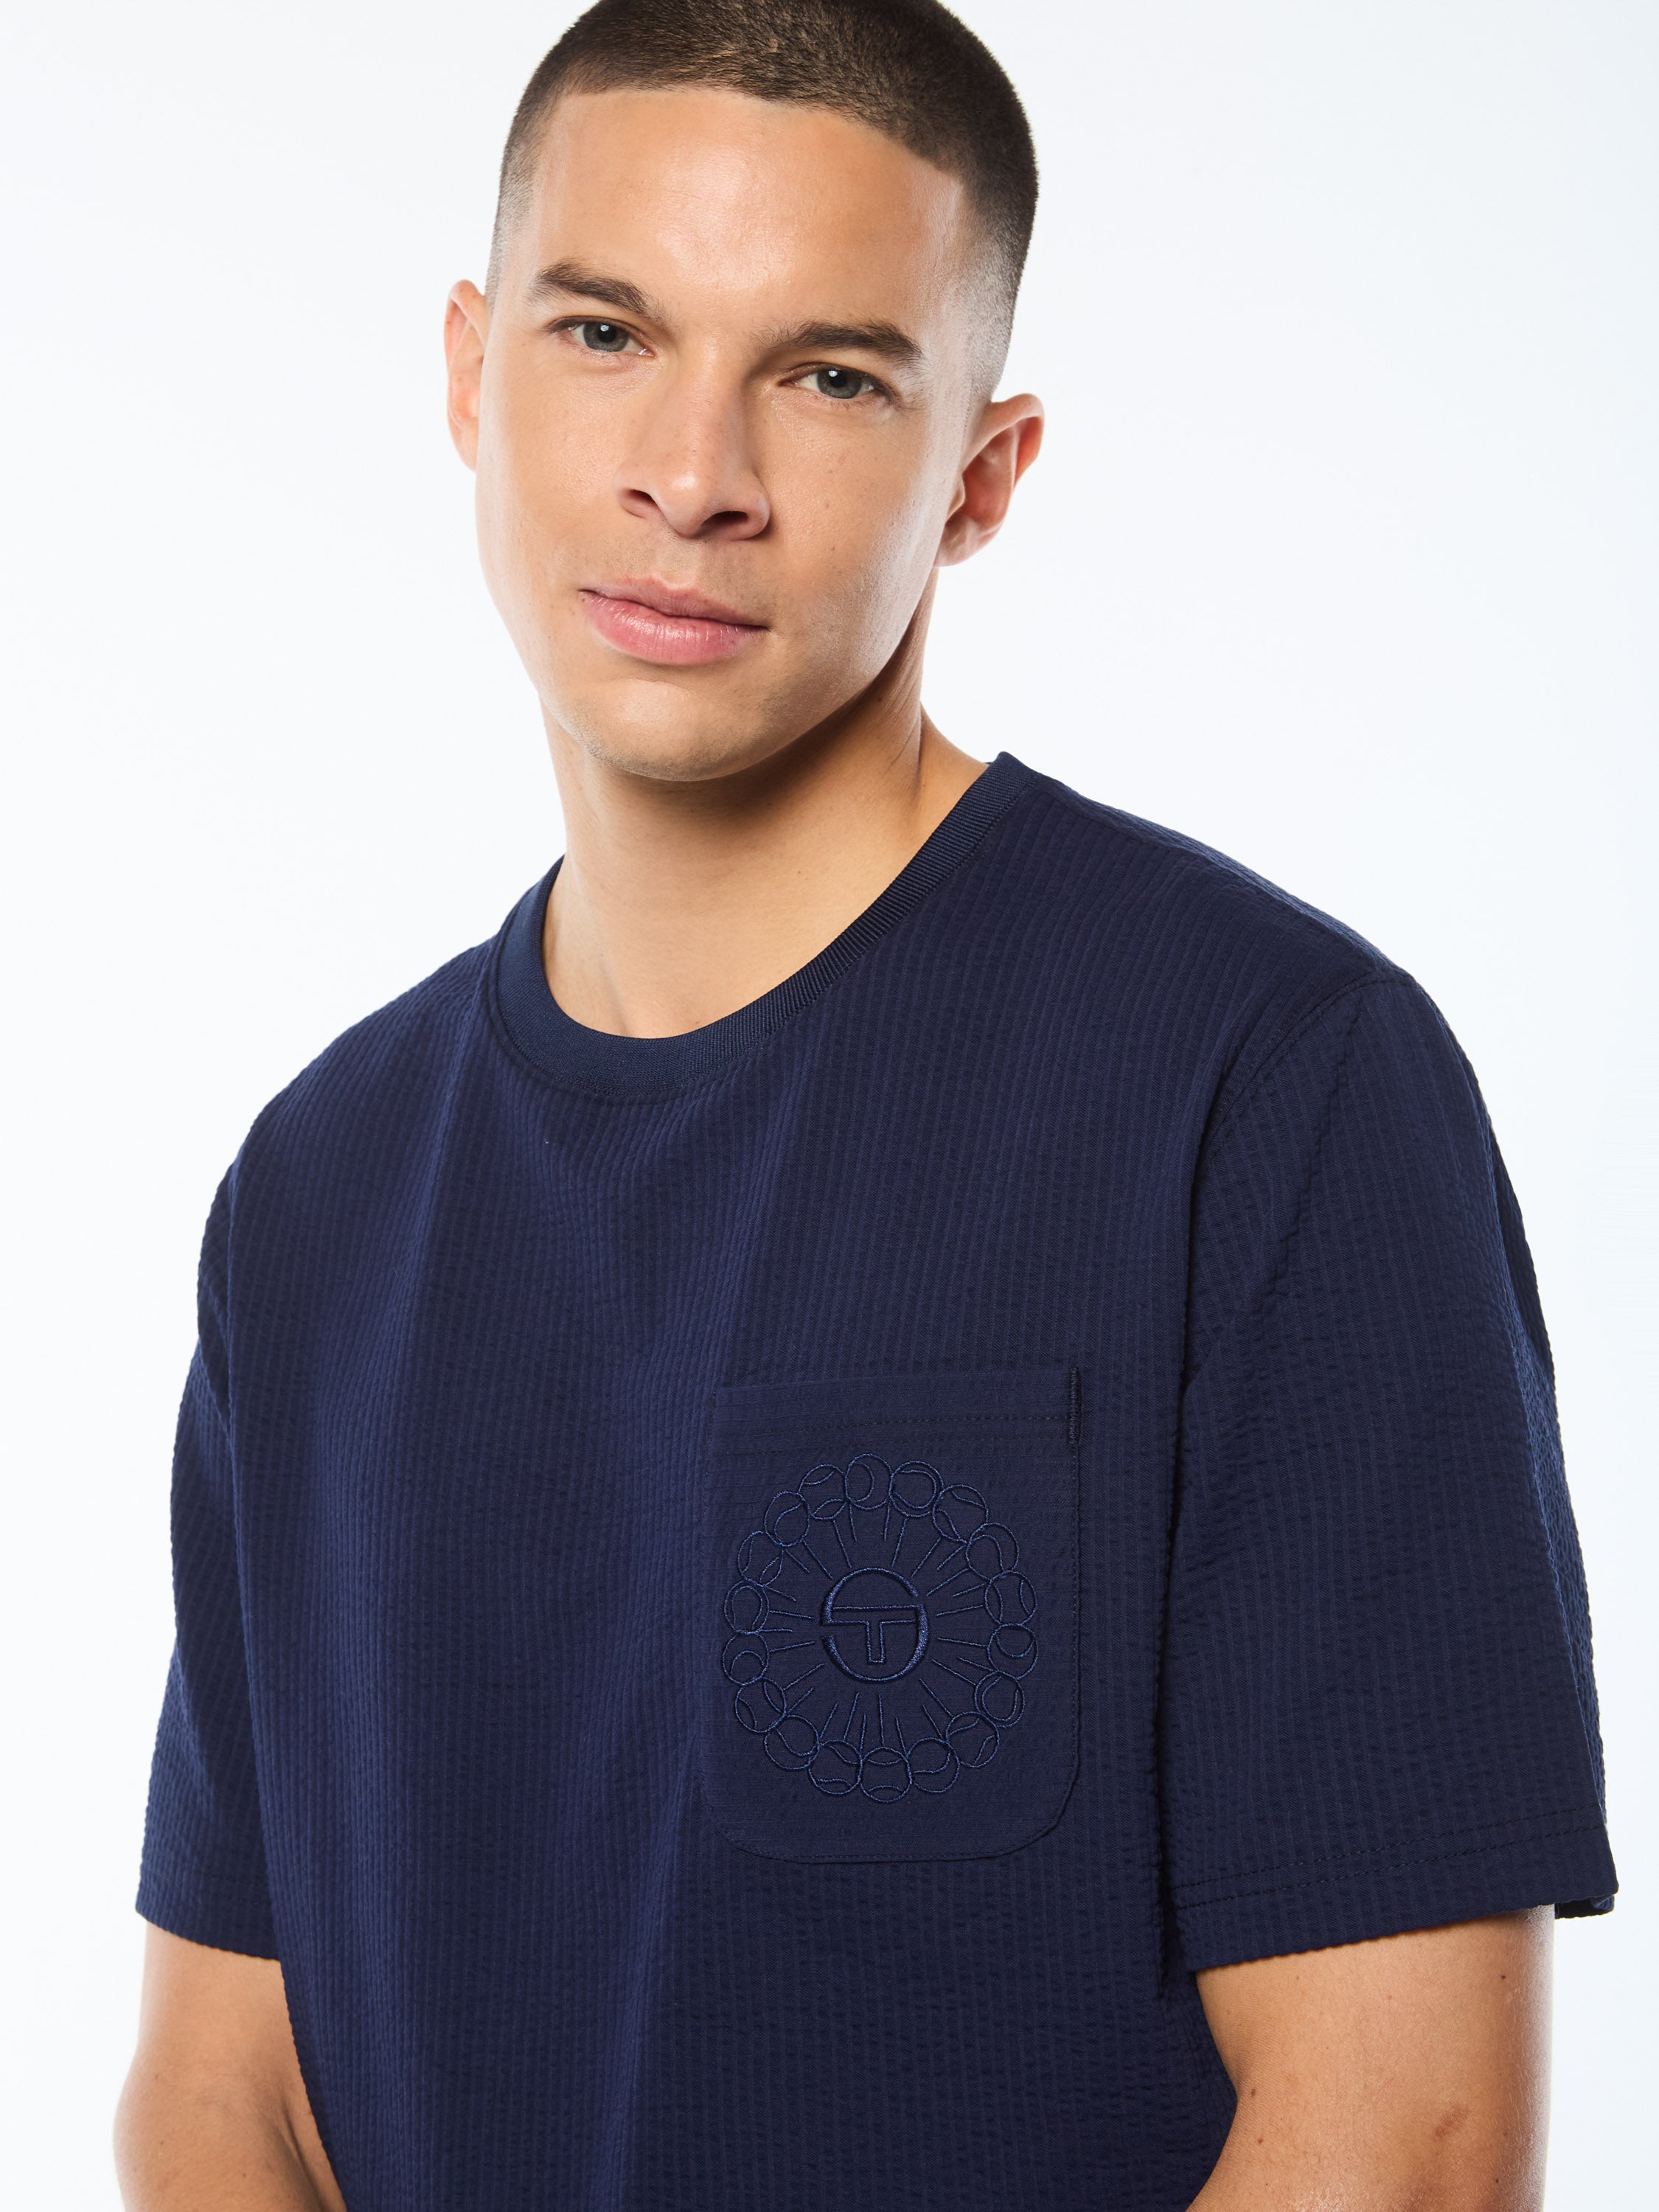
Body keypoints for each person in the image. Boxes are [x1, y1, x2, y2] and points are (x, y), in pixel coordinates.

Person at [114, 3, 1616, 2207]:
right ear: (468, 373)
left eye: (828, 376)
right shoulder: (320, 1192)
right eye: (606, 332)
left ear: (982, 477)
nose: (692, 473)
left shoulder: (1267, 1087)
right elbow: (221, 2088)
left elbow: (1404, 2138)